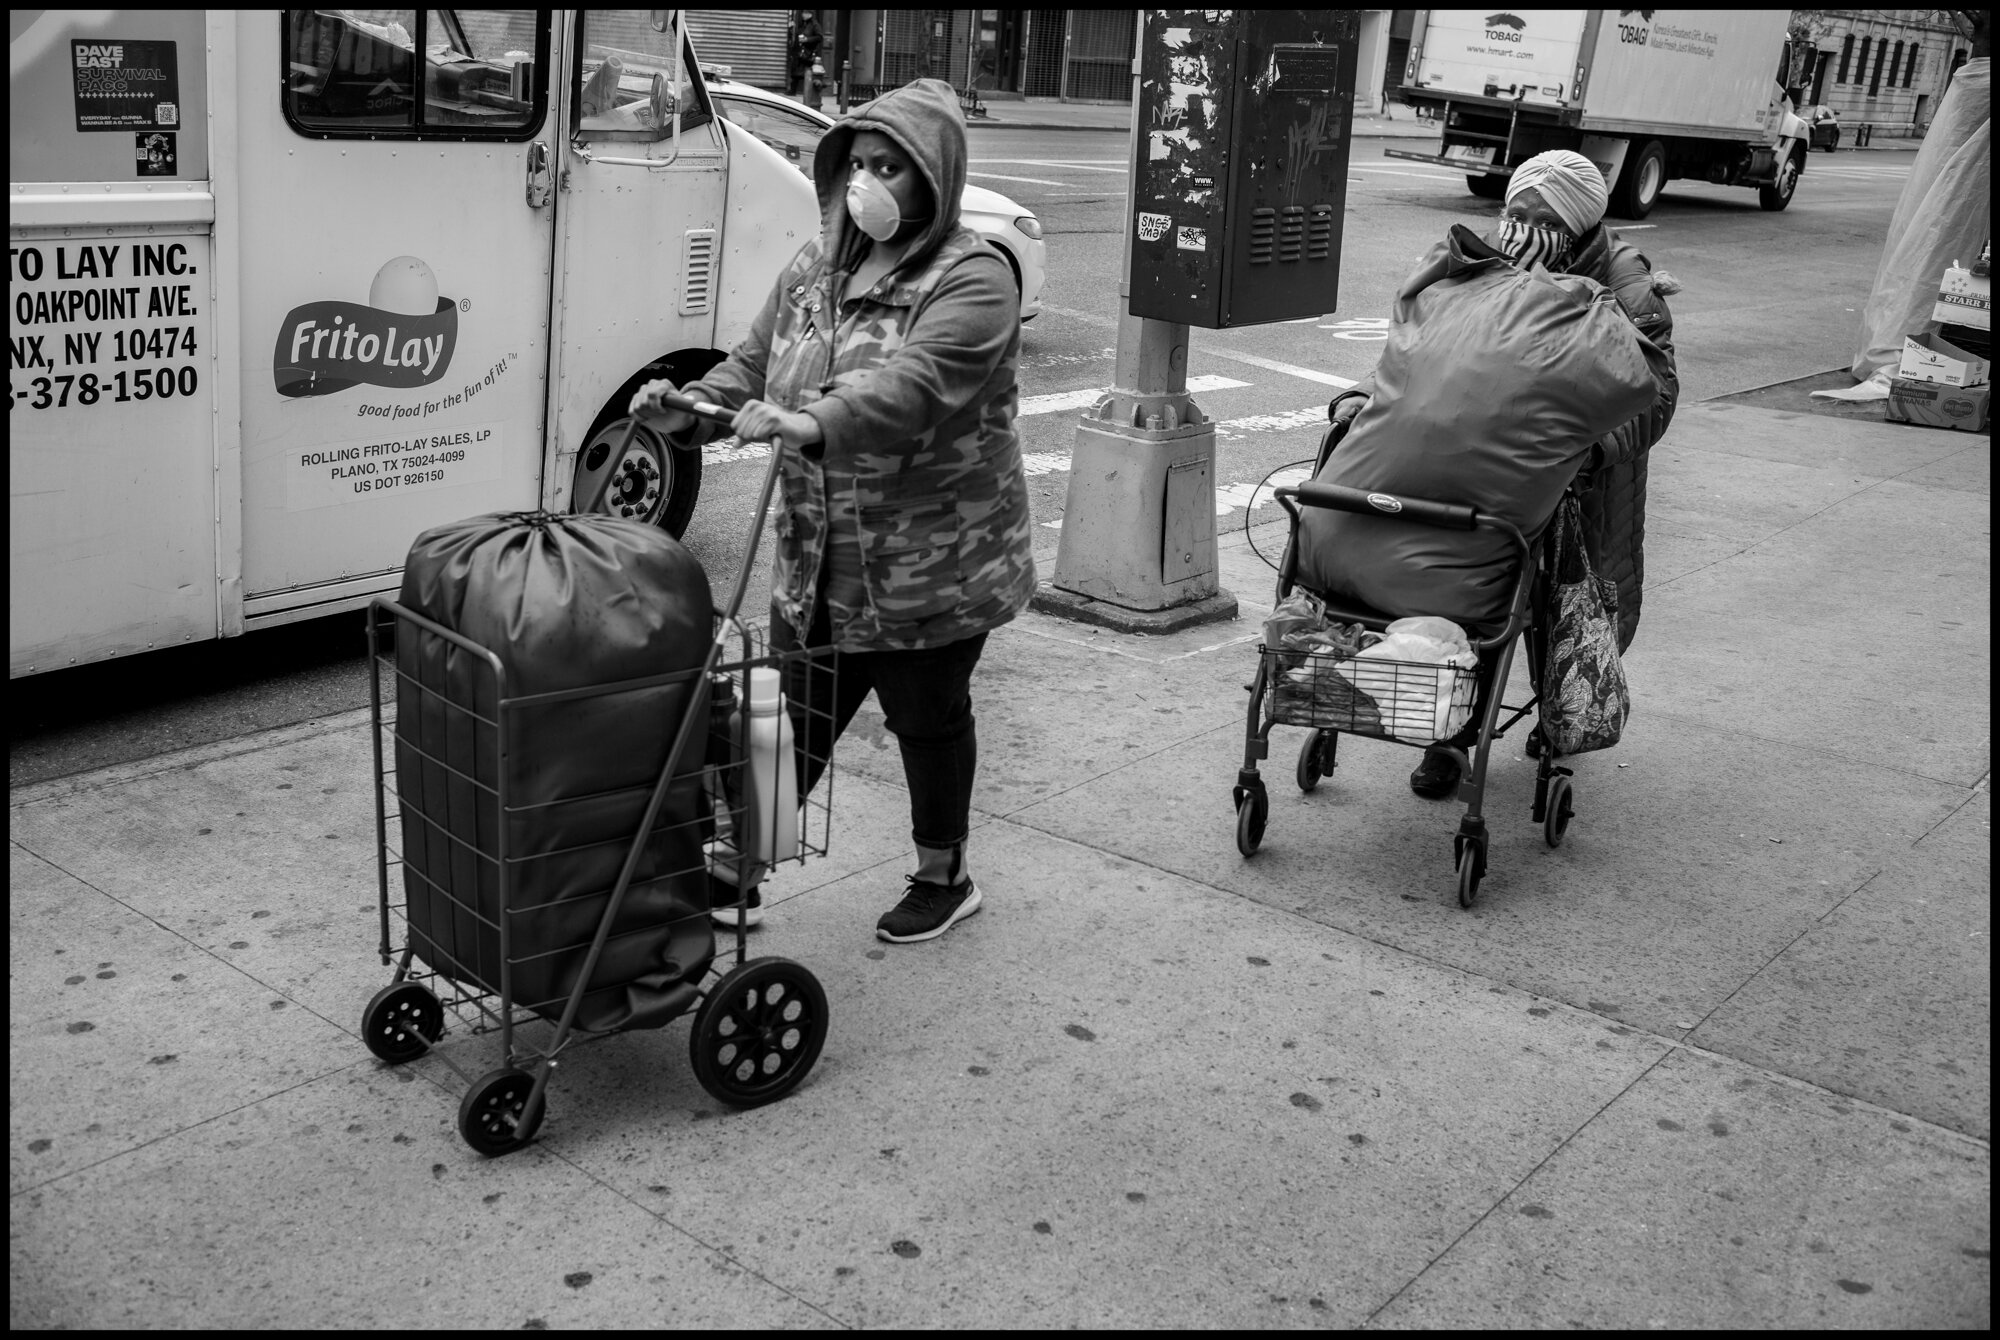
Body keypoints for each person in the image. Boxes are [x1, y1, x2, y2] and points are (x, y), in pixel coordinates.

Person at [629, 78, 1034, 943]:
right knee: (787, 720)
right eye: (860, 162)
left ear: (936, 178)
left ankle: (943, 873)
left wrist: (811, 419)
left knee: (926, 721)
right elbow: (751, 360)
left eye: (893, 166)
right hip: (818, 554)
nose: (870, 182)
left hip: (931, 565)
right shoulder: (821, 263)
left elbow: (912, 388)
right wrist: (691, 407)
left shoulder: (974, 277)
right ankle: (742, 867)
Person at [1327, 148, 1678, 797]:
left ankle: (1558, 719)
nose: (1518, 239)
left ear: (1577, 228)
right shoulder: (1491, 258)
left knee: (1567, 615)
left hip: (1584, 483)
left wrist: (1591, 448)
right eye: (1511, 219)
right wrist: (1369, 396)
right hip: (1493, 478)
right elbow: (1436, 354)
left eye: (1536, 225)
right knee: (1480, 602)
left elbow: (1655, 396)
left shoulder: (1625, 283)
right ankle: (1451, 740)